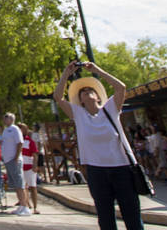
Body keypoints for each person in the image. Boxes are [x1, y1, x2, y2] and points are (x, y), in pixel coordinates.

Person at [55, 60, 144, 230]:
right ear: (79, 99)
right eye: (82, 91)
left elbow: (120, 88)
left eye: (90, 90)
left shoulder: (110, 109)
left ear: (97, 96)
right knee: (105, 218)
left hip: (122, 168)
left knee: (132, 215)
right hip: (96, 170)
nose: (86, 92)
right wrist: (66, 74)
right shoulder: (79, 115)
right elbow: (58, 97)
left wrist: (97, 70)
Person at [1, 112, 30, 215]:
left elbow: (20, 143)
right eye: (4, 118)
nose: (4, 119)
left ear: (11, 119)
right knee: (15, 184)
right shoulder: (5, 130)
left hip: (14, 160)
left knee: (20, 183)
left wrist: (16, 157)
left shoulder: (15, 129)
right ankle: (21, 205)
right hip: (8, 160)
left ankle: (25, 206)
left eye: (6, 118)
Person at [20, 122, 39, 214]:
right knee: (23, 187)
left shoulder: (30, 141)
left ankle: (35, 207)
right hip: (20, 167)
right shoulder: (17, 142)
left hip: (29, 167)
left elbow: (35, 155)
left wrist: (35, 165)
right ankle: (27, 204)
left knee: (33, 186)